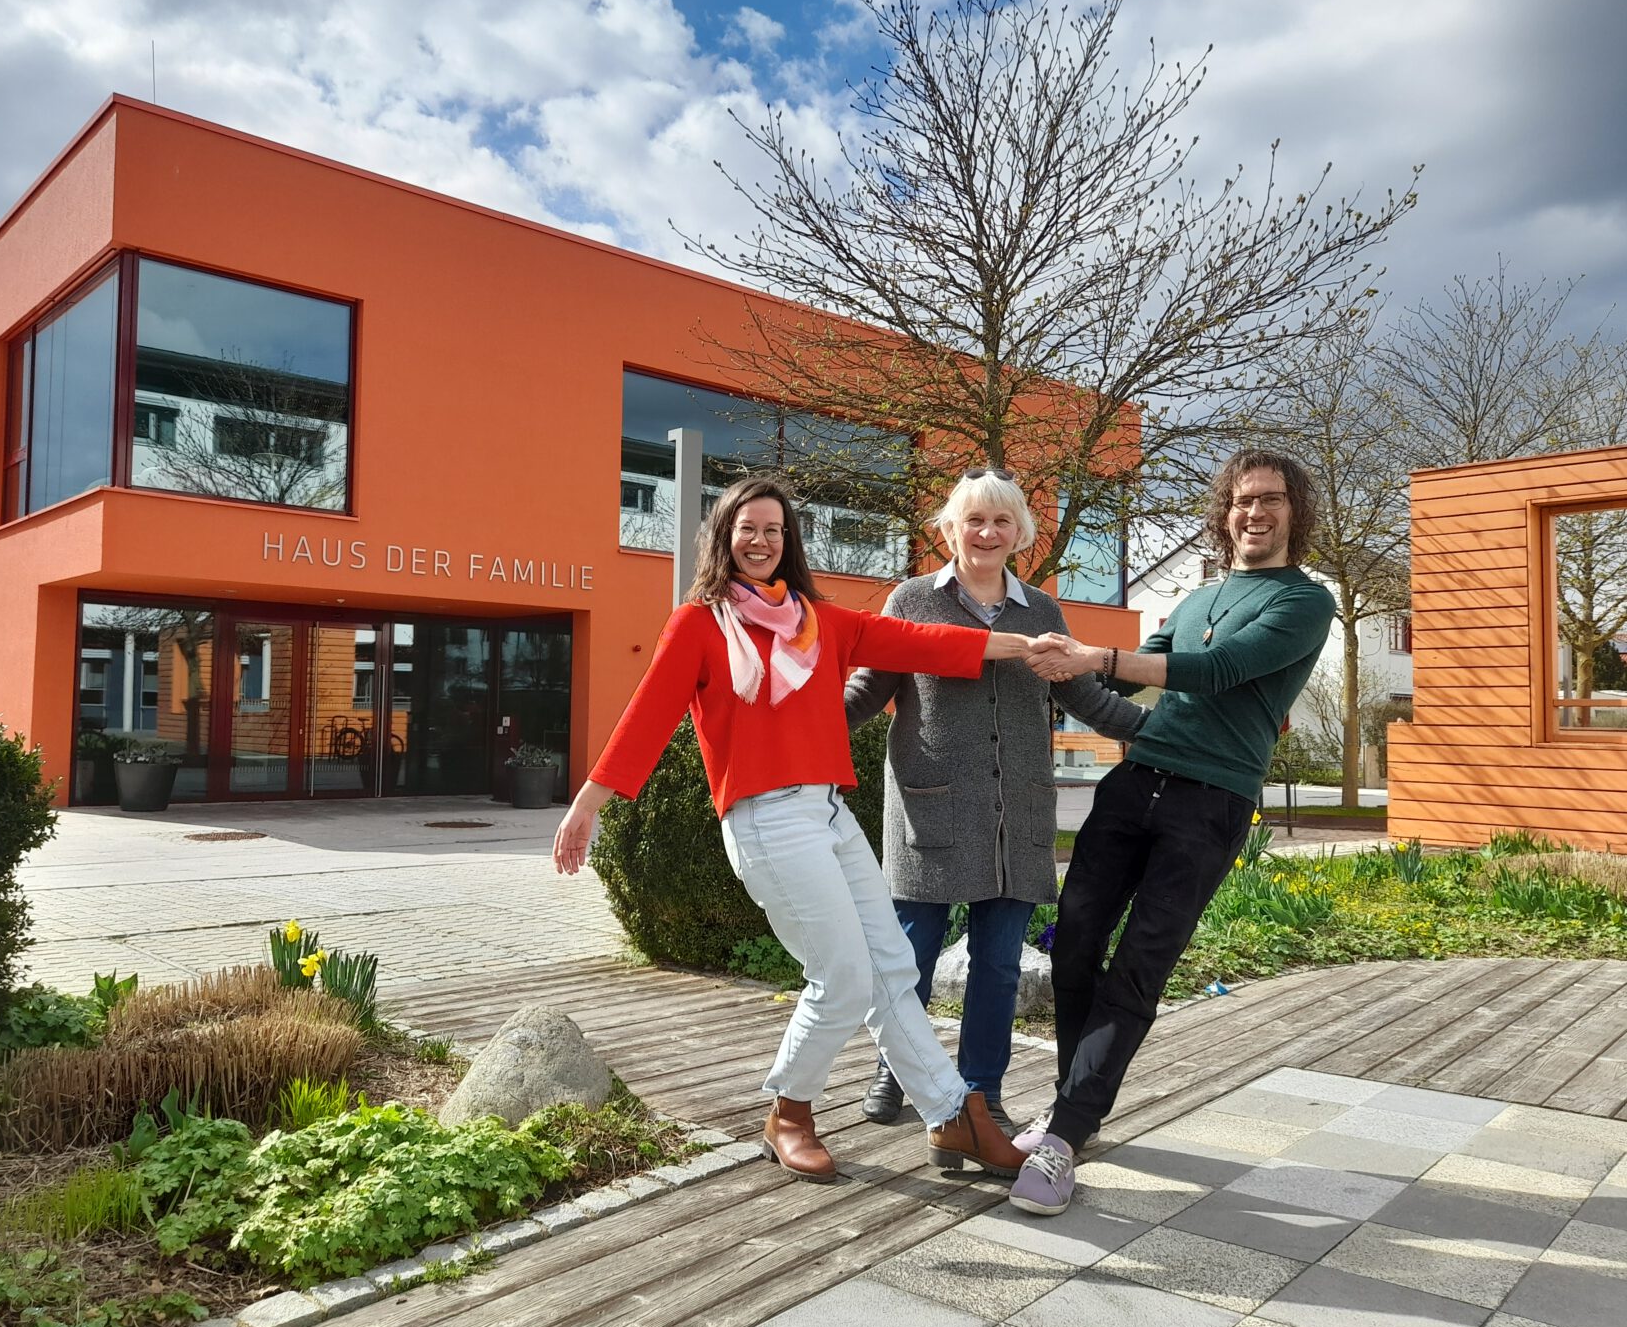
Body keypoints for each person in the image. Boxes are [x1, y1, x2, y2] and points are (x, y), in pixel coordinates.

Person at [553, 476, 1031, 1183]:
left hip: (829, 812)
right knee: (842, 977)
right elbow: (648, 715)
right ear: (724, 535)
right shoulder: (700, 625)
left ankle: (953, 1114)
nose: (761, 541)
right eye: (747, 528)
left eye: (774, 530)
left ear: (789, 541)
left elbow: (921, 641)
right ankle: (789, 1113)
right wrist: (588, 803)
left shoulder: (820, 622)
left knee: (892, 968)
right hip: (765, 818)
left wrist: (1021, 644)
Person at [1007, 450, 1334, 1215]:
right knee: (1074, 943)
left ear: (1295, 512)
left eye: (1272, 499)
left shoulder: (1306, 601)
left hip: (1211, 801)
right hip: (1135, 784)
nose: (1255, 512)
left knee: (1139, 969)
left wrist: (1092, 654)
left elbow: (1216, 670)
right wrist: (1038, 648)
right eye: (1243, 500)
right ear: (1225, 513)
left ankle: (1064, 1136)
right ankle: (1071, 1112)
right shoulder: (1199, 598)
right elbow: (1131, 670)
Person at [844, 469, 1148, 1135]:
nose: (986, 532)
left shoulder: (1041, 612)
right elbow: (867, 692)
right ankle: (896, 1069)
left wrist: (1163, 733)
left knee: (1000, 967)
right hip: (930, 808)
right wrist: (795, 731)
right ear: (949, 529)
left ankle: (982, 1093)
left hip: (1017, 816)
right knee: (908, 959)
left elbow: (1085, 697)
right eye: (973, 520)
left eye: (1001, 521)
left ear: (1020, 534)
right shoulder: (911, 600)